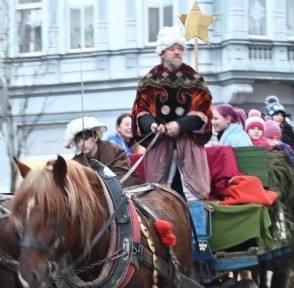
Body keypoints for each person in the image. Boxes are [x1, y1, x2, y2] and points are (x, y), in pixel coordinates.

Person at [131, 25, 213, 200]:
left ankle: (198, 228)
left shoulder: (194, 78)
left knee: (194, 195)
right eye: (172, 49)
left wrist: (180, 125)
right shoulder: (150, 80)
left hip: (189, 145)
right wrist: (151, 125)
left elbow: (203, 109)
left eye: (180, 48)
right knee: (159, 194)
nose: (177, 52)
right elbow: (141, 110)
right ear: (162, 52)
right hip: (160, 145)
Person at [66, 116, 139, 187]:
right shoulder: (76, 162)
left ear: (95, 137)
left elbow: (121, 177)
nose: (81, 144)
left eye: (85, 138)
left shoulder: (115, 150)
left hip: (127, 191)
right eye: (78, 140)